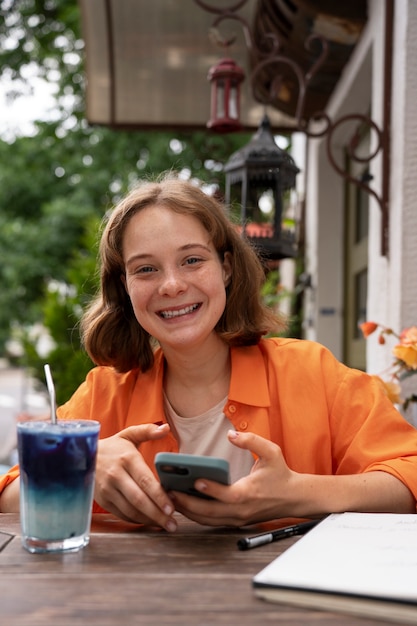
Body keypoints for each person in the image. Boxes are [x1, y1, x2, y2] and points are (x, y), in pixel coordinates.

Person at [1, 174, 417, 532]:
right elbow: (9, 495)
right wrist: (83, 466)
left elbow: (408, 479)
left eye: (192, 260)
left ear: (227, 268)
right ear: (124, 289)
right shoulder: (105, 393)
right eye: (146, 269)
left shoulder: (313, 373)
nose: (171, 285)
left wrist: (295, 495)